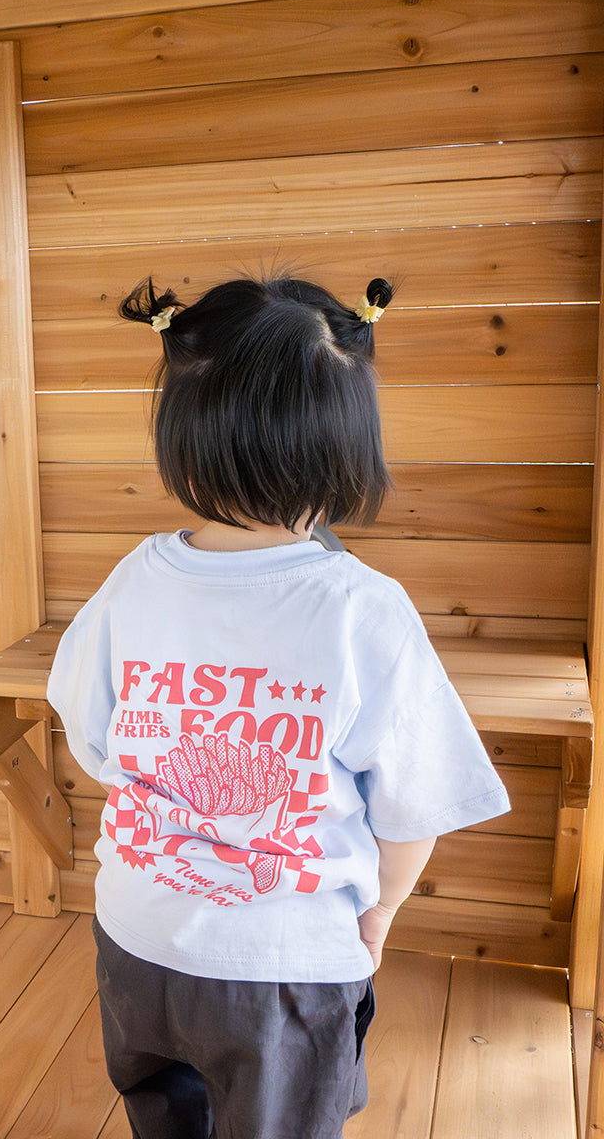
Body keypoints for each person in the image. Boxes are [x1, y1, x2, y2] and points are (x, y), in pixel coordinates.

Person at [46, 273, 510, 1139]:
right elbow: (415, 805)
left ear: (181, 438)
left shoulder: (134, 579)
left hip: (136, 937)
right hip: (283, 969)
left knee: (165, 1110)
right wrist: (381, 912)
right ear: (348, 449)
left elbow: (93, 737)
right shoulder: (361, 607)